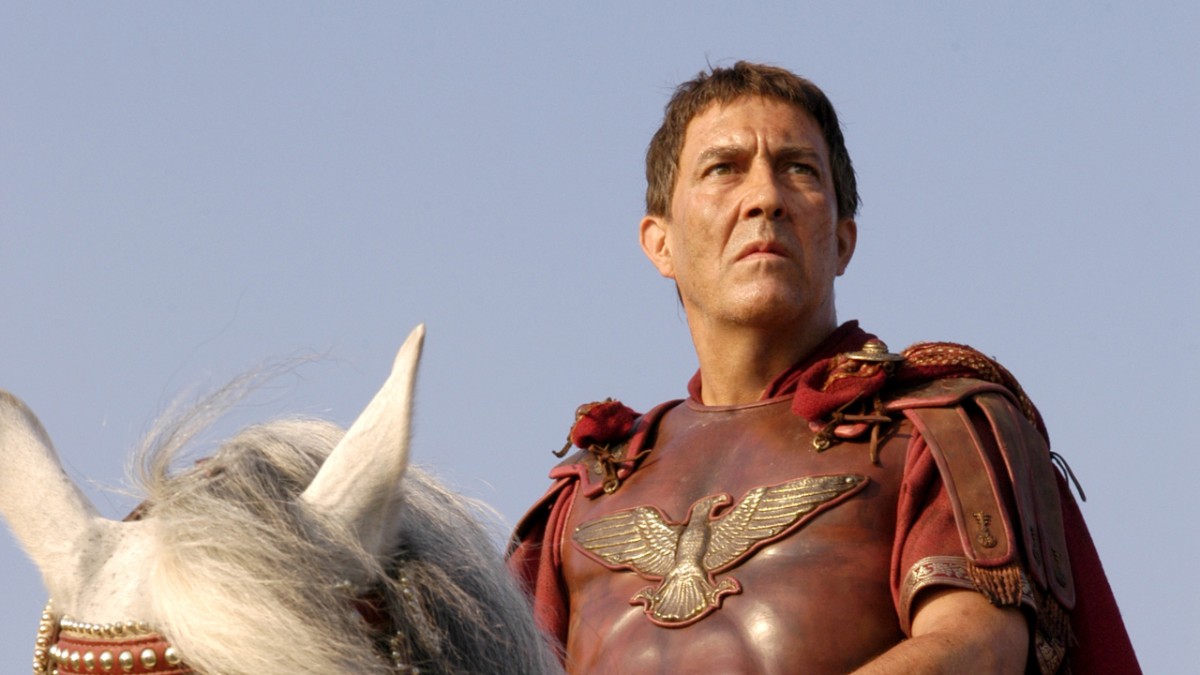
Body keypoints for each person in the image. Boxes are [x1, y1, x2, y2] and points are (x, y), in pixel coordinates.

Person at [507, 61, 1138, 674]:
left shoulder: (932, 432)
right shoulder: (587, 492)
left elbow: (978, 648)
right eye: (724, 169)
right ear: (659, 241)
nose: (765, 198)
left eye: (798, 169)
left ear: (841, 241)